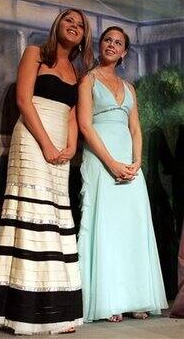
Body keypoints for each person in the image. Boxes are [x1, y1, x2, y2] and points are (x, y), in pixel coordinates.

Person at [0, 8, 93, 335]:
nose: (74, 26)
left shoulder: (77, 71)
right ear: (57, 25)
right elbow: (23, 99)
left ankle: (55, 313)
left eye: (80, 24)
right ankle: (22, 313)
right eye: (69, 21)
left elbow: (74, 115)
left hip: (60, 146)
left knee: (54, 222)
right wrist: (46, 144)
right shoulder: (36, 53)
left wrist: (71, 147)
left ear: (83, 35)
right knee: (32, 218)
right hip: (33, 140)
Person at [77, 26, 168, 323]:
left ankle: (135, 298)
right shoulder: (88, 80)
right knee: (105, 226)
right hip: (101, 159)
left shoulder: (129, 88)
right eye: (108, 40)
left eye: (118, 43)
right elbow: (85, 126)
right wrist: (111, 163)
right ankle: (108, 301)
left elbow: (136, 129)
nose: (112, 45)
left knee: (131, 228)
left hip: (129, 164)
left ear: (125, 52)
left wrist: (136, 161)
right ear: (100, 44)